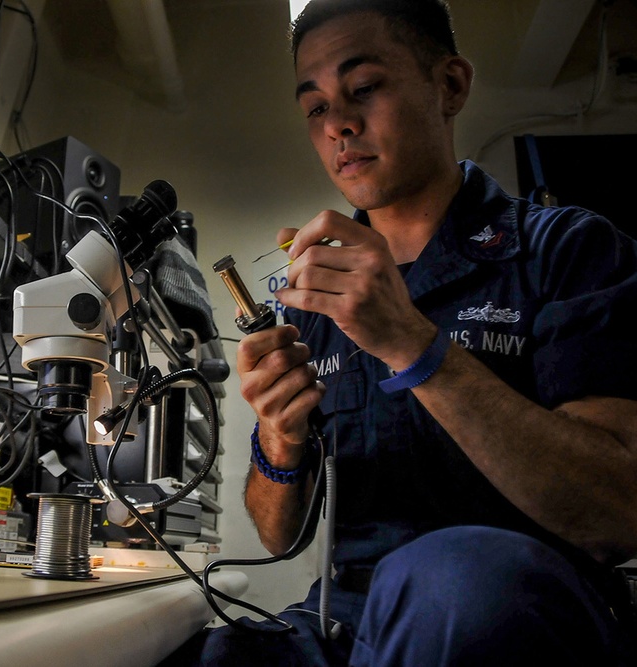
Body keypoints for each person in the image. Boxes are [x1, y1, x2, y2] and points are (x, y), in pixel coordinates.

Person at [162, 0, 637, 664]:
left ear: (450, 86)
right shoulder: (312, 300)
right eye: (316, 108)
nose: (340, 125)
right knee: (195, 655)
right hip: (350, 617)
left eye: (364, 89)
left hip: (510, 607)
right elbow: (278, 533)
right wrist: (279, 434)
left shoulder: (567, 251)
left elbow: (618, 512)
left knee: (454, 578)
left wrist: (416, 346)